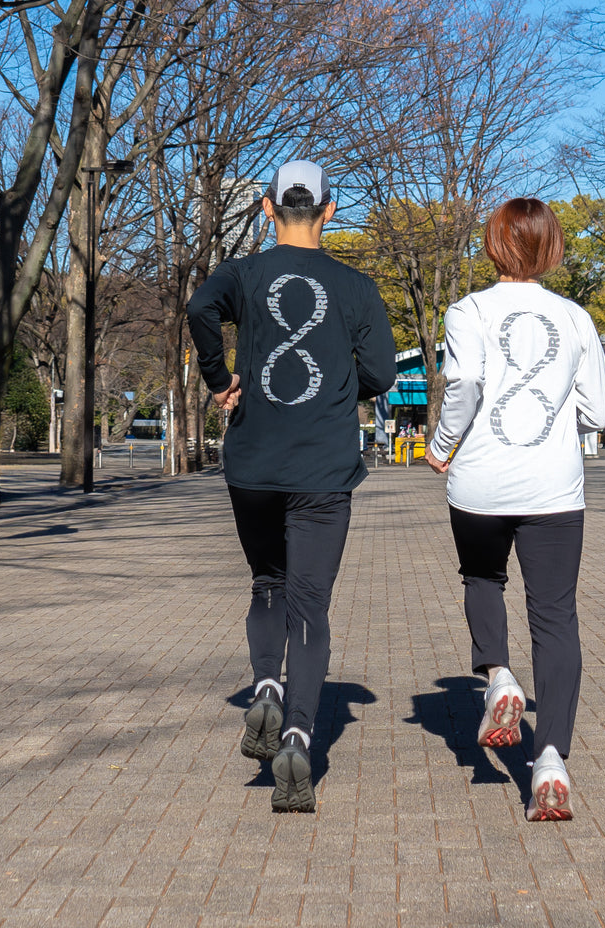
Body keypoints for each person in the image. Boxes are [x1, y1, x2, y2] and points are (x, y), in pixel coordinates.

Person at [187, 159, 396, 812]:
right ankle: (300, 736)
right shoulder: (356, 287)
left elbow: (199, 309)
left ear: (266, 208)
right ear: (330, 211)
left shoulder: (243, 275)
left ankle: (265, 690)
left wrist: (220, 380)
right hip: (323, 470)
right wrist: (342, 391)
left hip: (253, 464)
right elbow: (384, 372)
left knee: (268, 583)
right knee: (310, 604)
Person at [424, 197, 605, 821]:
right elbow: (599, 413)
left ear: (494, 243)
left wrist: (442, 445)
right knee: (556, 617)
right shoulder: (576, 318)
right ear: (552, 246)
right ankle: (551, 759)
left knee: (482, 577)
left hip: (481, 482)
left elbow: (466, 386)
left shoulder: (467, 310)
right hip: (554, 488)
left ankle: (499, 677)